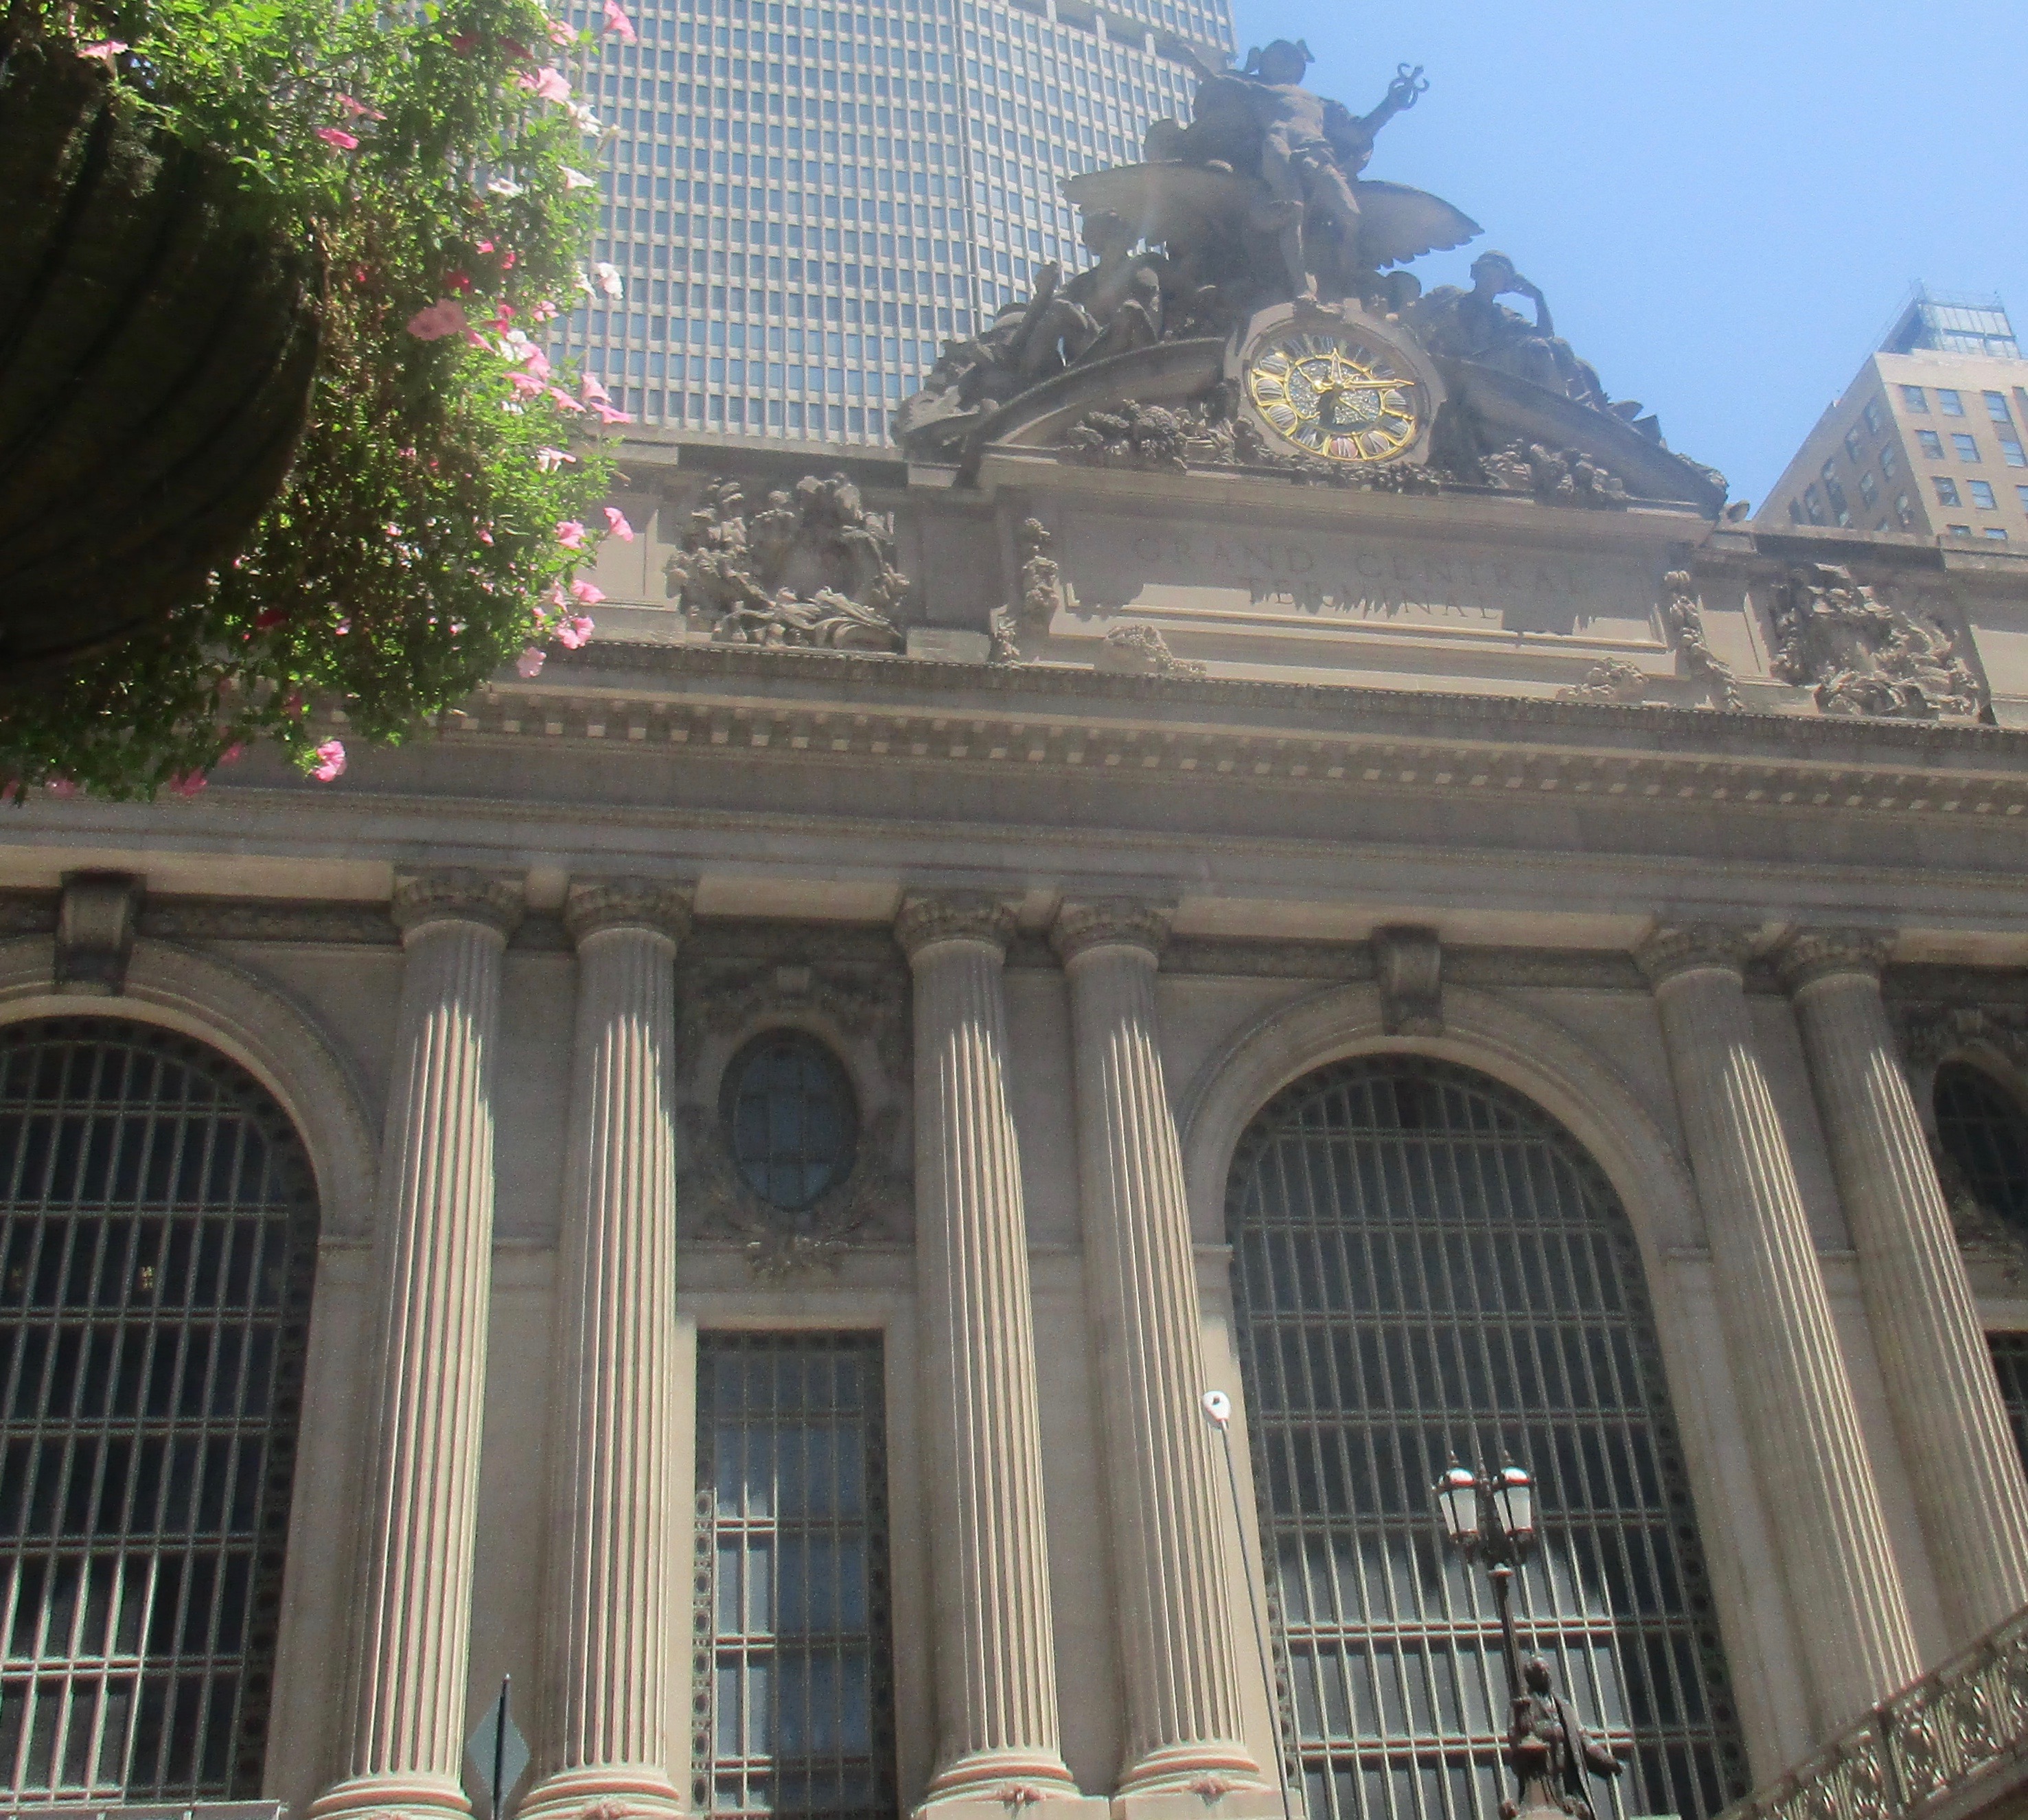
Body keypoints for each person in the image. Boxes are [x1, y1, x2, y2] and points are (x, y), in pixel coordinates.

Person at [1182, 38, 1427, 299]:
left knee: (1350, 215)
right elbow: (1217, 83)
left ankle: (1346, 278)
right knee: (1292, 212)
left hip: (1318, 151)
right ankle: (1302, 287)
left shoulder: (1321, 103)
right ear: (1263, 61)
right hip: (1278, 145)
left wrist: (1390, 105)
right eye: (1279, 56)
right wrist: (1190, 59)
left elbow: (1358, 133)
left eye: (1292, 60)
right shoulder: (1253, 88)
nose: (1286, 63)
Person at [1412, 252, 1610, 408]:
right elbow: (1413, 314)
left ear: (1505, 286)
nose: (1492, 280)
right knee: (1538, 347)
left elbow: (1546, 335)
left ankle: (1563, 404)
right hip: (1447, 362)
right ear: (1476, 274)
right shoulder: (1448, 294)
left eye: (1499, 277)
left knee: (1556, 345)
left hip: (1483, 366)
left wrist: (1538, 298)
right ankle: (1560, 405)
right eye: (1488, 273)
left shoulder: (1503, 315)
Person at [1507, 1655, 1622, 1820]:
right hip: (1541, 1782)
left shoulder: (1564, 1707)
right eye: (1541, 1671)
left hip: (1566, 1781)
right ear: (1532, 1677)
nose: (1547, 1675)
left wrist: (1607, 1761)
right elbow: (1515, 1738)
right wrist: (1546, 1731)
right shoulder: (1523, 1707)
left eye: (1547, 1670)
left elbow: (1584, 1740)